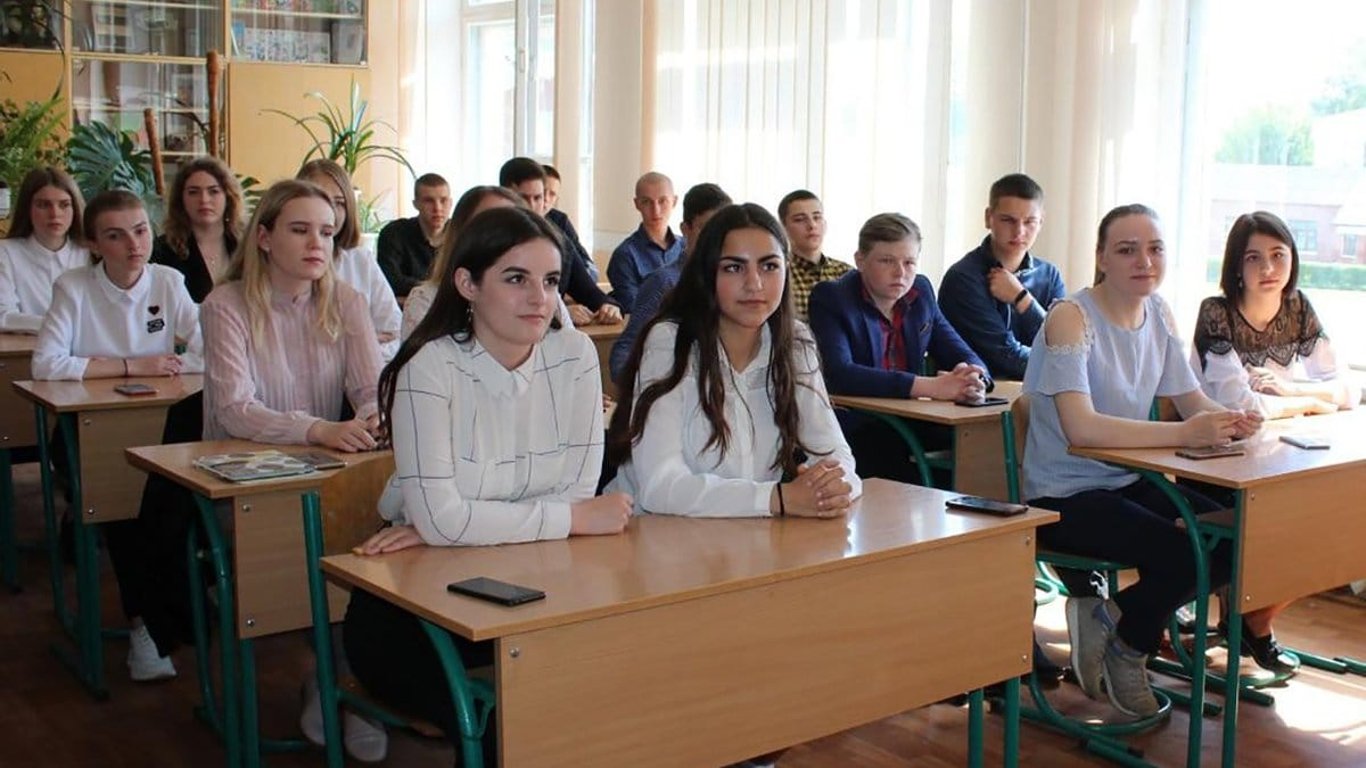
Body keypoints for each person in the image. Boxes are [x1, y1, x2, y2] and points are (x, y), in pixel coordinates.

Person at [342, 206, 631, 759]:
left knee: (605, 693)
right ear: (467, 284)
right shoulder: (429, 367)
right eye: (516, 278)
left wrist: (454, 525)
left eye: (551, 281)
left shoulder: (573, 355)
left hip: (534, 580)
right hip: (414, 605)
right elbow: (453, 518)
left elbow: (571, 491)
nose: (539, 298)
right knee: (512, 724)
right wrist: (565, 521)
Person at [1022, 204, 1260, 719]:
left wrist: (1232, 420)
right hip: (1063, 494)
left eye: (1155, 249)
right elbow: (1081, 428)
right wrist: (1186, 432)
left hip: (1127, 481)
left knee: (1234, 537)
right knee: (1184, 554)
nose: (1144, 261)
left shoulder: (1160, 313)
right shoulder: (1070, 318)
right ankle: (1130, 648)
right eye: (1127, 250)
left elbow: (1191, 400)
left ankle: (1112, 619)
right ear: (1101, 258)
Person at [200, 179, 387, 761]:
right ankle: (331, 681)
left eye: (327, 233)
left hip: (323, 470)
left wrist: (372, 416)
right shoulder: (225, 305)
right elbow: (234, 409)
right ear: (263, 237)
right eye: (300, 230)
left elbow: (371, 390)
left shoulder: (347, 302)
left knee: (373, 547)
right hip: (243, 477)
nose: (317, 244)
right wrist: (317, 429)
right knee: (304, 557)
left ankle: (347, 684)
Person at [31, 189, 203, 683]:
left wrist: (173, 367)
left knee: (170, 510)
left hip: (160, 425)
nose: (134, 245)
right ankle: (144, 626)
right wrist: (131, 365)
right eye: (116, 235)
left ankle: (175, 611)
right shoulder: (73, 286)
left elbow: (209, 348)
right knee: (124, 510)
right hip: (88, 430)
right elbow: (46, 364)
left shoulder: (168, 280)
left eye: (141, 231)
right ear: (93, 244)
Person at [607, 202, 860, 518]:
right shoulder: (671, 341)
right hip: (652, 534)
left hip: (748, 532)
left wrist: (833, 488)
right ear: (706, 273)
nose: (754, 284)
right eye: (734, 268)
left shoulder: (794, 341)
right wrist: (778, 498)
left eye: (769, 266)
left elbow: (836, 454)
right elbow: (660, 487)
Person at [1189, 210, 1357, 674]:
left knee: (1343, 519)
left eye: (1278, 255)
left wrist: (1291, 391)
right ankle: (1253, 623)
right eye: (1254, 258)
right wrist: (1314, 401)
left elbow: (1347, 390)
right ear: (1236, 266)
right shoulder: (1216, 312)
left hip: (1279, 456)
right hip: (1217, 463)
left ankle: (1254, 618)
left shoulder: (1297, 307)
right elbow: (1243, 407)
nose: (1268, 269)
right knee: (1305, 520)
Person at [808, 213, 988, 483]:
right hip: (859, 423)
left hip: (911, 419)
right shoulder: (832, 297)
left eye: (909, 262)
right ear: (860, 260)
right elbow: (839, 373)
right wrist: (930, 387)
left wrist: (975, 379)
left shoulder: (921, 292)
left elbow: (960, 350)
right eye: (887, 261)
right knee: (893, 454)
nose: (900, 273)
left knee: (984, 443)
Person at [939, 173, 1066, 380]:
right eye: (1008, 220)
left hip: (1041, 392)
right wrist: (1065, 364)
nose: (1019, 231)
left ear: (1041, 221)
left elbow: (1065, 343)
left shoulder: (1049, 275)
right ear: (988, 218)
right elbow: (1006, 357)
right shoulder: (963, 278)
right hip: (982, 393)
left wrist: (1022, 299)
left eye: (1030, 222)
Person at [608, 182, 731, 382]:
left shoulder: (732, 282)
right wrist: (642, 393)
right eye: (705, 229)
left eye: (722, 230)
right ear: (686, 229)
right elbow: (625, 352)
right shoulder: (664, 283)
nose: (715, 239)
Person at [297, 159, 402, 361]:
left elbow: (396, 334)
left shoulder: (361, 260)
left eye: (339, 203)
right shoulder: (286, 264)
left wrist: (357, 352)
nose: (331, 211)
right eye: (322, 200)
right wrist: (361, 343)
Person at [499, 157, 621, 326]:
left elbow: (588, 290)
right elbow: (496, 304)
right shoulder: (490, 242)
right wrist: (559, 312)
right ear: (505, 197)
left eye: (538, 198)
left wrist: (608, 306)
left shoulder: (559, 241)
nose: (532, 206)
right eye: (523, 198)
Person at [401, 185, 524, 339]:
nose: (501, 235)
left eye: (511, 225)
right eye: (488, 224)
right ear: (462, 233)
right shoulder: (426, 301)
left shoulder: (539, 297)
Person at [0, 166, 89, 332]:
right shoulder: (6, 253)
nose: (55, 214)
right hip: (25, 347)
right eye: (43, 205)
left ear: (75, 208)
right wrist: (59, 326)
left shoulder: (91, 253)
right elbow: (3, 316)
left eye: (64, 205)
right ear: (27, 208)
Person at [151, 156, 245, 303]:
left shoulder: (247, 245)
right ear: (181, 200)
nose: (204, 200)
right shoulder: (162, 251)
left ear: (228, 197)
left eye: (213, 191)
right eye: (193, 192)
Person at [606, 172, 683, 312]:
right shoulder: (625, 255)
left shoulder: (688, 247)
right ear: (637, 204)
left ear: (674, 201)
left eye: (662, 201)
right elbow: (634, 307)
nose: (656, 210)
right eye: (646, 202)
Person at [778, 189, 850, 323]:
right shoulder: (780, 273)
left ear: (825, 224)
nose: (812, 225)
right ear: (783, 227)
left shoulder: (846, 273)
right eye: (800, 220)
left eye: (817, 217)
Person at [376, 173, 452, 298]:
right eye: (429, 201)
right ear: (415, 204)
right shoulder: (395, 233)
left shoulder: (461, 233)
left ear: (451, 203)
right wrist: (436, 289)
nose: (438, 208)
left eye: (443, 200)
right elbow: (389, 280)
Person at [542, 163, 599, 280]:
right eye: (542, 192)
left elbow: (590, 267)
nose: (546, 199)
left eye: (552, 194)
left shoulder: (560, 221)